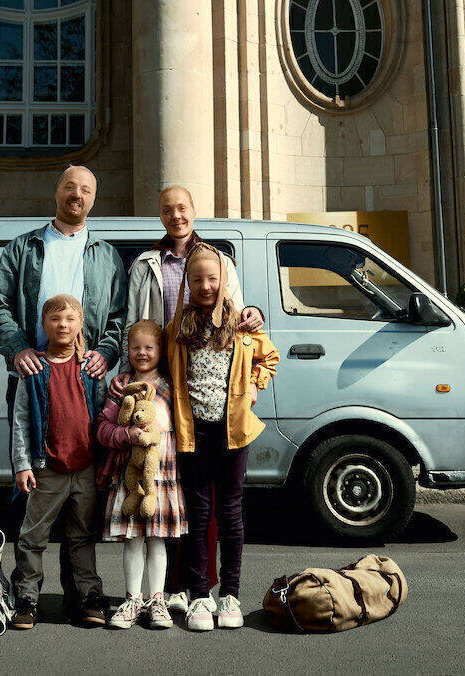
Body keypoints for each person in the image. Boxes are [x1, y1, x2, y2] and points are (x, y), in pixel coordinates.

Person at [109, 184, 264, 613]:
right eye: (167, 209)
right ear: (160, 215)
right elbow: (134, 319)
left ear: (194, 211)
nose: (176, 215)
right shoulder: (146, 263)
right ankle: (176, 588)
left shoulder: (220, 260)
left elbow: (245, 321)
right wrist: (137, 367)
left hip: (211, 396)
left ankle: (207, 589)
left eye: (182, 208)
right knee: (173, 491)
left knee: (212, 503)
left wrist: (252, 381)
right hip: (164, 383)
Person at [0, 164, 127, 625]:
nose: (77, 195)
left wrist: (106, 353)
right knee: (33, 489)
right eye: (70, 186)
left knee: (83, 509)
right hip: (35, 377)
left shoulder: (106, 255)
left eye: (86, 189)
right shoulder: (23, 247)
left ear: (94, 198)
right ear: (57, 192)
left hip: (85, 382)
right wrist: (17, 349)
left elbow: (119, 319)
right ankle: (26, 594)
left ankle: (81, 596)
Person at [165, 243, 280, 631]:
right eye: (197, 279)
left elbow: (270, 358)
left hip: (234, 435)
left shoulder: (243, 326)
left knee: (230, 513)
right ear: (188, 282)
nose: (205, 285)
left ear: (224, 280)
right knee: (198, 515)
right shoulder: (178, 328)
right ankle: (200, 595)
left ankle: (230, 594)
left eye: (212, 278)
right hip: (193, 435)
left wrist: (254, 386)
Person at [8, 295, 105, 630]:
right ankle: (26, 598)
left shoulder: (91, 368)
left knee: (82, 536)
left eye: (70, 319)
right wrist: (22, 464)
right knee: (33, 537)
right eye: (55, 319)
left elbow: (105, 415)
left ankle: (88, 597)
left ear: (80, 324)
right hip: (46, 468)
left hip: (86, 468)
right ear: (44, 325)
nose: (63, 325)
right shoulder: (33, 370)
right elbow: (21, 419)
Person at [95, 320, 187, 630]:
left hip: (163, 473)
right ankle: (132, 598)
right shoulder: (121, 385)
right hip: (129, 476)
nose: (142, 353)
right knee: (132, 538)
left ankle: (156, 599)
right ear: (127, 350)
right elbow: (103, 429)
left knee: (157, 538)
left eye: (149, 347)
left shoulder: (171, 385)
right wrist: (127, 435)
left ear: (161, 351)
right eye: (135, 347)